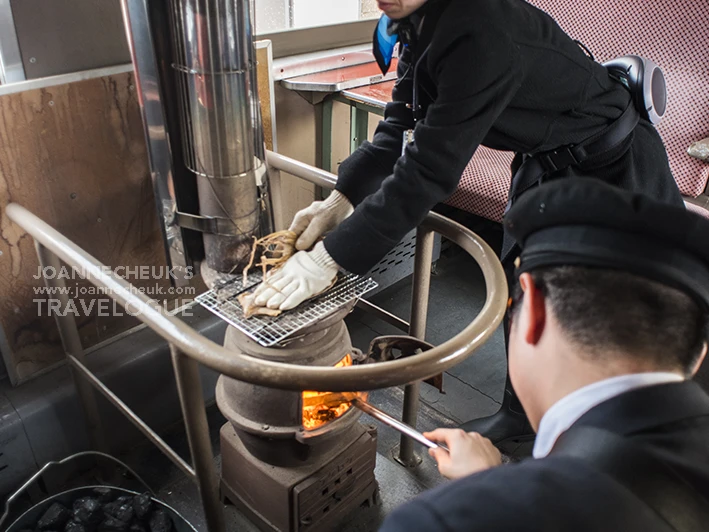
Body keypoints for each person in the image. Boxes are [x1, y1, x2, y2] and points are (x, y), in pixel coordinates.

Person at [252, 0, 684, 442]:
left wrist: (329, 259)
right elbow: (399, 129)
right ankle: (518, 415)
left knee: (620, 316)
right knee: (524, 283)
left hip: (614, 165)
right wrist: (339, 201)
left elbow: (429, 170)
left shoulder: (480, 27)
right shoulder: (417, 22)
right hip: (546, 162)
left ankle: (611, 445)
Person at [379, 178, 709, 532]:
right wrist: (496, 482)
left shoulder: (437, 522)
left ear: (533, 308)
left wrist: (489, 495)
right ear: (699, 350)